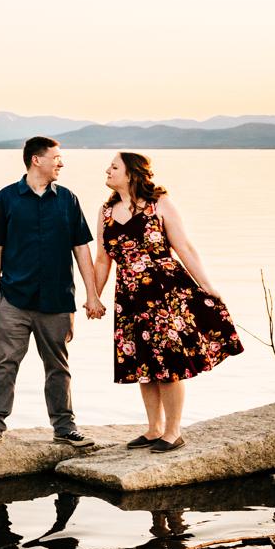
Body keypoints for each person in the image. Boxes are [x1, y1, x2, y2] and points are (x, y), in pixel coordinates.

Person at [87, 152, 243, 452]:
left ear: (131, 173)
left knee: (168, 364)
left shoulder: (160, 203)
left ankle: (173, 431)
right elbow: (102, 259)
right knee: (142, 365)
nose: (107, 170)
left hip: (164, 293)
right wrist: (94, 296)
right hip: (129, 297)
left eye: (114, 166)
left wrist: (207, 286)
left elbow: (183, 246)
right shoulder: (106, 211)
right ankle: (153, 428)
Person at [0, 136, 105, 448]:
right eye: (56, 157)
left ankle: (64, 427)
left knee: (58, 367)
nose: (60, 162)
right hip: (13, 300)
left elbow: (81, 249)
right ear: (36, 159)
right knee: (5, 362)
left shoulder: (68, 200)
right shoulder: (6, 198)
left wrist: (91, 295)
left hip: (57, 300)